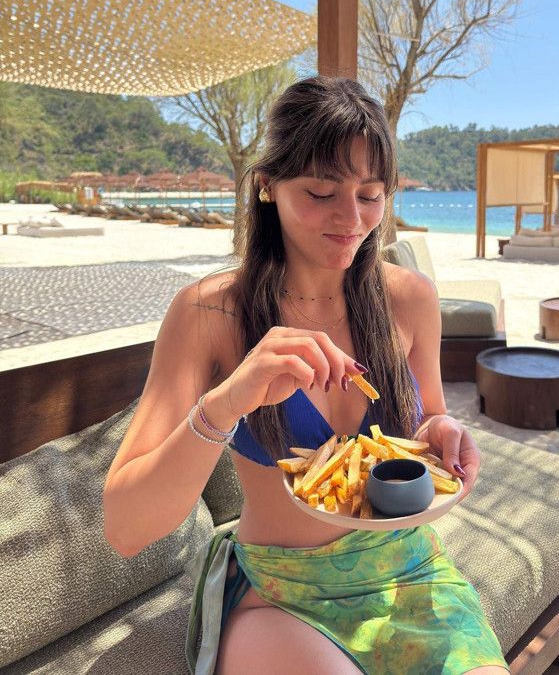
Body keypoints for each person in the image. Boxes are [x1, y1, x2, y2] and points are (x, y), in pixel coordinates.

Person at [103, 77, 508, 675]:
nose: (352, 219)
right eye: (321, 192)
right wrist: (226, 403)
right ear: (268, 186)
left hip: (407, 568)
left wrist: (442, 433)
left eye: (371, 195)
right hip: (281, 591)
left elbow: (426, 421)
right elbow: (126, 528)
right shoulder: (209, 313)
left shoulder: (410, 298)